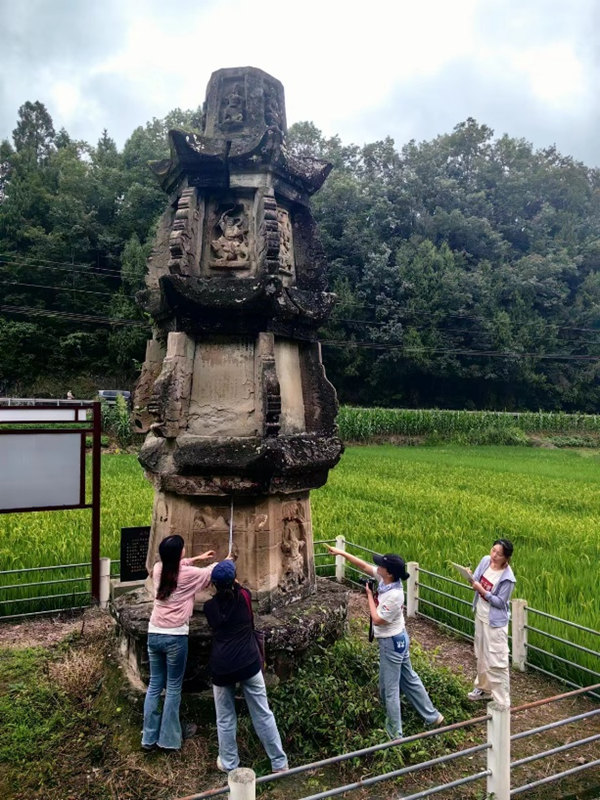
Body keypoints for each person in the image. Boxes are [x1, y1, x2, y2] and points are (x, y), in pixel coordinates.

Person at [325, 545, 443, 739]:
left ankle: (395, 733)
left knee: (391, 688)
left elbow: (378, 619)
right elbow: (363, 566)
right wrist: (341, 553)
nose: (377, 567)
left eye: (381, 565)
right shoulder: (385, 579)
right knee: (409, 679)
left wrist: (370, 596)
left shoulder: (395, 595)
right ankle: (432, 716)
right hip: (399, 638)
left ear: (389, 573)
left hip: (391, 642)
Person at [203, 560, 288, 774]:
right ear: (234, 581)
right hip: (248, 663)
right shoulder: (244, 598)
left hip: (222, 667)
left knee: (225, 718)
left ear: (213, 584)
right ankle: (279, 763)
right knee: (262, 713)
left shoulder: (209, 607)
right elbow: (240, 589)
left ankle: (230, 763)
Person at [142, 535, 216, 751]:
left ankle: (148, 737)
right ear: (179, 553)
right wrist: (227, 559)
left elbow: (178, 565)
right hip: (175, 636)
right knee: (173, 687)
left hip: (154, 633)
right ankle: (168, 739)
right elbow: (211, 572)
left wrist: (197, 557)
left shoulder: (158, 569)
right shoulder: (189, 576)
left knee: (155, 685)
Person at [467, 538, 516, 706]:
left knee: (497, 659)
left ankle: (502, 702)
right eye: (493, 550)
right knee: (480, 653)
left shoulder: (508, 578)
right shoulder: (485, 561)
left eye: (499, 554)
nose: (494, 555)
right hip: (480, 615)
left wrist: (482, 591)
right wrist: (469, 576)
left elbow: (500, 602)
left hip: (495, 622)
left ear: (507, 558)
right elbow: (475, 579)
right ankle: (483, 688)